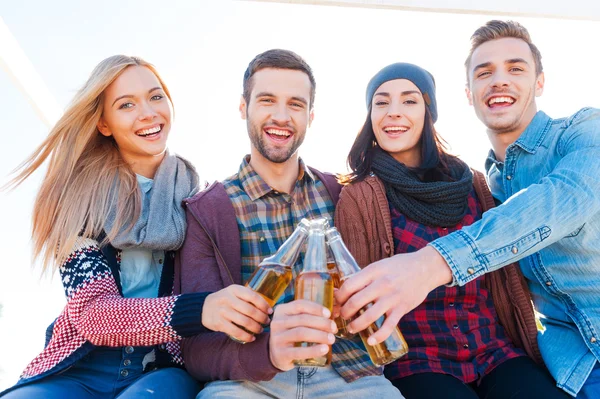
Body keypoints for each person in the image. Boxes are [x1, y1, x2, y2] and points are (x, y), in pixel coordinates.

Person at [335, 20, 600, 399]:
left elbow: (555, 203)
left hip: (508, 356)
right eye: (485, 72)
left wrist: (429, 265)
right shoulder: (493, 183)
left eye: (515, 68)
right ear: (469, 93)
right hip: (556, 365)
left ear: (539, 82)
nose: (499, 81)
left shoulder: (580, 135)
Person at [0, 55, 271, 399]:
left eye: (156, 97)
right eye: (126, 105)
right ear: (104, 124)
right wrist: (201, 309)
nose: (148, 112)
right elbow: (94, 316)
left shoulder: (200, 201)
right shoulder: (75, 201)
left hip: (162, 368)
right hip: (78, 367)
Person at [176, 49, 403, 398]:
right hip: (249, 383)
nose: (281, 116)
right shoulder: (207, 211)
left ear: (310, 116)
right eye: (267, 100)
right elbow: (197, 348)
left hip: (350, 378)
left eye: (296, 104)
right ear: (243, 108)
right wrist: (268, 353)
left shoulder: (343, 194)